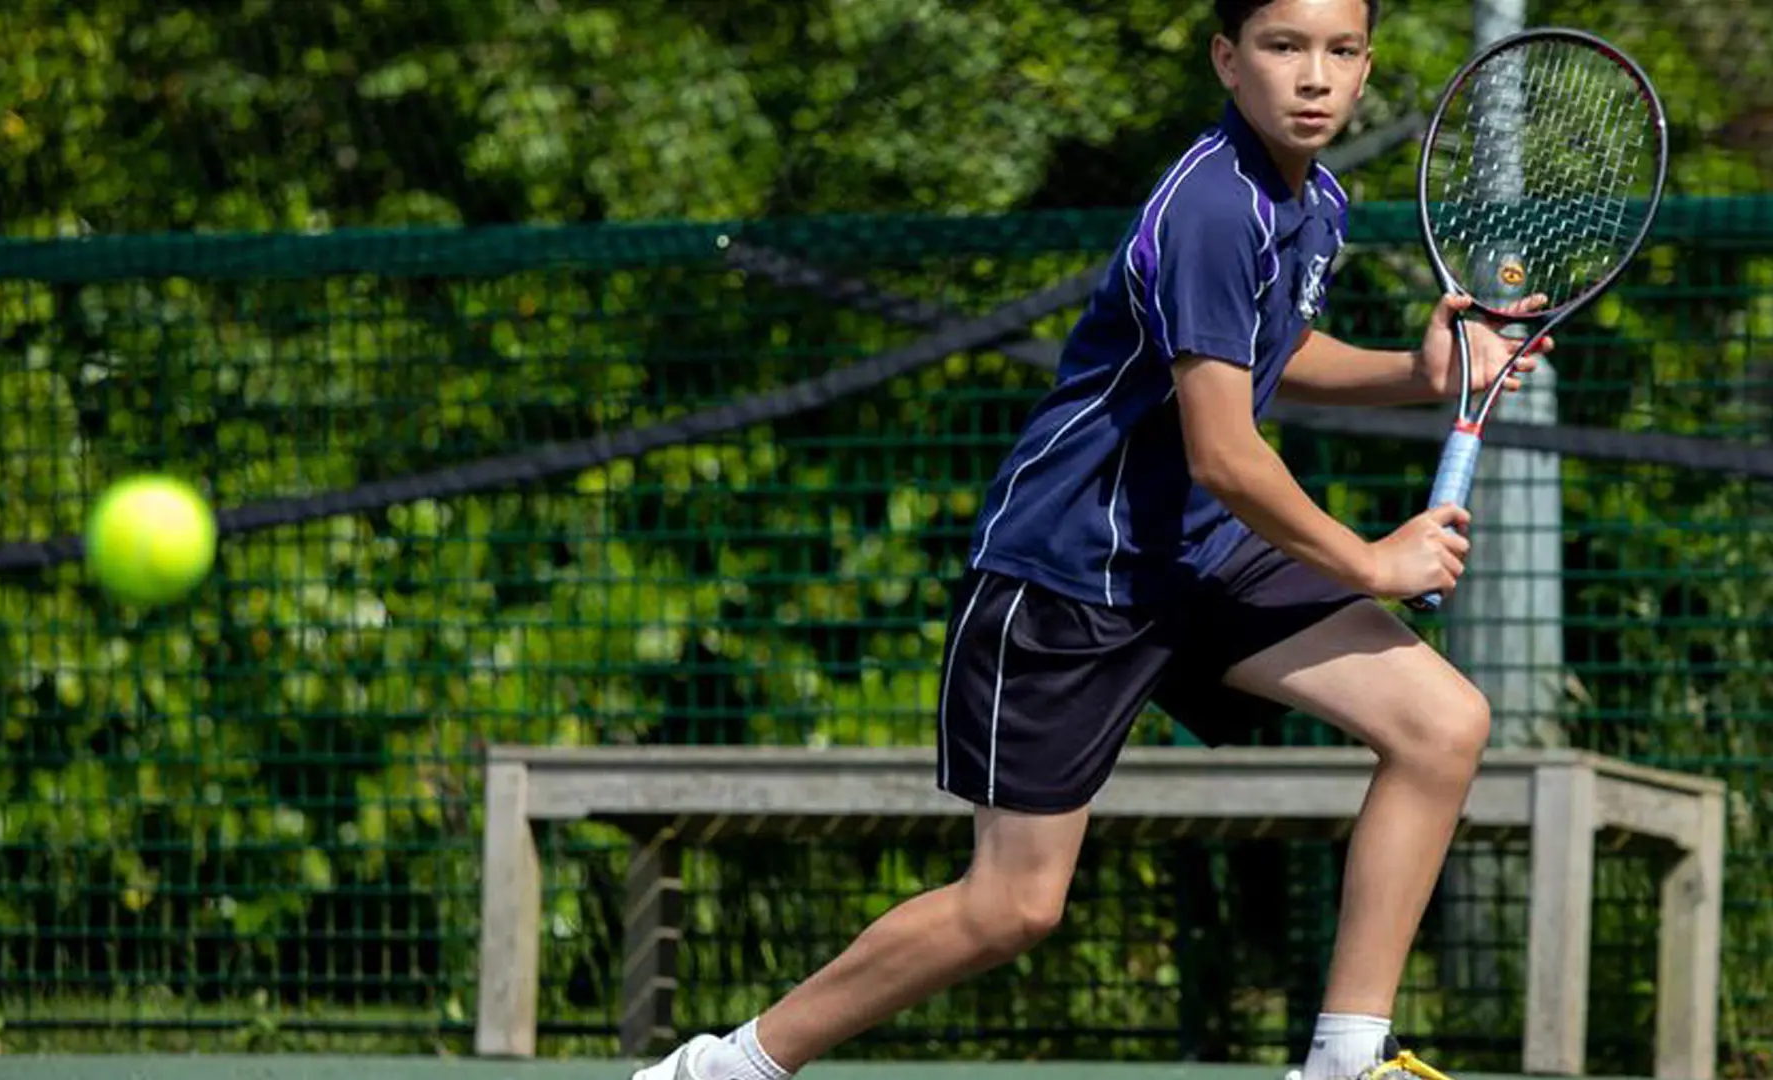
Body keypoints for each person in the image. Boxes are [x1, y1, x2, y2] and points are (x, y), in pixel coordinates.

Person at [633, 1, 1553, 1078]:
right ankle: (722, 1069)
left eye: (1340, 52)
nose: (1314, 77)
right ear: (1226, 58)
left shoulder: (1316, 200)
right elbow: (1224, 451)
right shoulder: (1214, 206)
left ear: (1366, 67)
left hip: (1201, 553)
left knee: (1441, 725)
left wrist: (1420, 374)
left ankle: (1345, 1061)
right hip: (1073, 572)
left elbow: (1271, 348)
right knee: (1011, 906)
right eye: (1283, 47)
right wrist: (1367, 561)